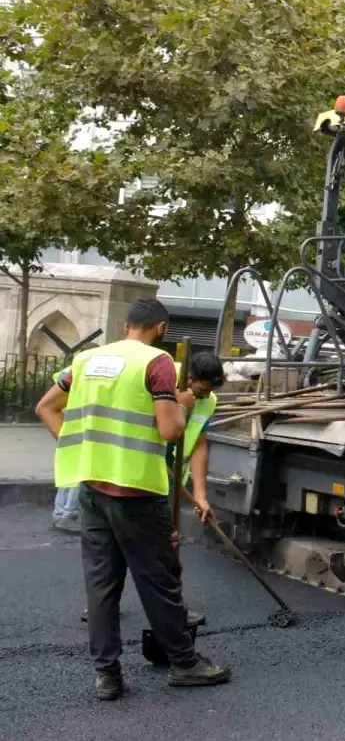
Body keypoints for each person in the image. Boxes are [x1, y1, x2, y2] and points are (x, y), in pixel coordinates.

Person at [35, 299, 230, 700]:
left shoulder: (86, 360)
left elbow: (46, 407)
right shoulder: (158, 363)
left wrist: (81, 450)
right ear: (161, 328)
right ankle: (184, 663)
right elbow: (170, 430)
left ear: (126, 325)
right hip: (139, 492)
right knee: (159, 581)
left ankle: (107, 675)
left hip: (93, 489)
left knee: (101, 587)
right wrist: (181, 406)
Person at [77, 349, 225, 627]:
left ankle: (170, 610)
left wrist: (201, 495)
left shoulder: (207, 401)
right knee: (120, 546)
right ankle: (105, 607)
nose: (203, 398)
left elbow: (199, 445)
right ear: (187, 378)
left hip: (164, 480)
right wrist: (179, 405)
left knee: (166, 544)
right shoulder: (157, 376)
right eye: (200, 391)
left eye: (208, 393)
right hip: (131, 475)